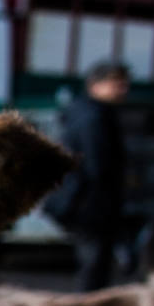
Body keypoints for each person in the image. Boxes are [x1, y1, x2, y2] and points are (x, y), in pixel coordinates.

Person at [44, 61, 131, 291]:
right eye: (117, 84)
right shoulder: (93, 117)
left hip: (86, 203)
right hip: (91, 205)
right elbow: (97, 166)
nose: (123, 90)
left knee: (93, 266)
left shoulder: (87, 111)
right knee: (93, 269)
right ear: (96, 84)